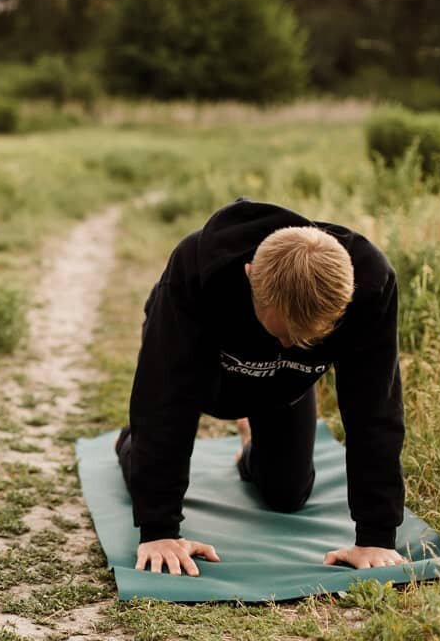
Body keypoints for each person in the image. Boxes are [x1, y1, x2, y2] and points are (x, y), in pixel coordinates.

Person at [115, 198, 406, 576]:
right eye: (282, 333)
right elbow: (164, 400)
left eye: (303, 340)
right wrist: (159, 530)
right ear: (250, 274)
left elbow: (374, 410)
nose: (287, 346)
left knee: (287, 494)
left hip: (284, 389)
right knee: (150, 454)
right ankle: (126, 442)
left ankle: (248, 447)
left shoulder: (372, 288)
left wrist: (377, 537)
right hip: (207, 377)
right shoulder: (195, 271)